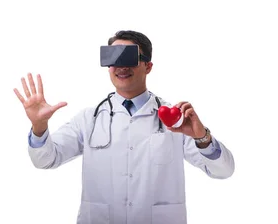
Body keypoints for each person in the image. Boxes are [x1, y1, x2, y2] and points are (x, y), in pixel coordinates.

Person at [13, 30, 235, 224]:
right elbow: (45, 160)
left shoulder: (177, 121)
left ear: (148, 66)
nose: (121, 66)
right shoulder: (89, 119)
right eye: (113, 58)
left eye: (129, 58)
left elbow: (223, 170)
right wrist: (39, 126)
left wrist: (202, 137)